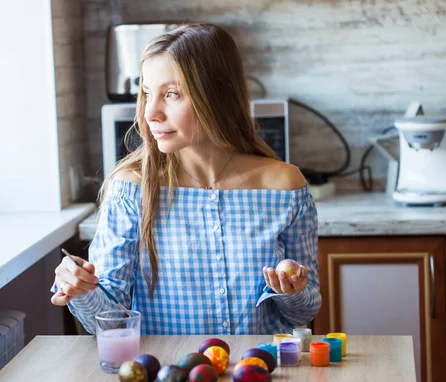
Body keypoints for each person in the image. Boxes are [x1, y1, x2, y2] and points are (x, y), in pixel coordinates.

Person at [51, 23, 321, 335]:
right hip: (167, 378)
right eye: (147, 93)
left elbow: (306, 310)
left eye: (172, 94)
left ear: (217, 96)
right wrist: (81, 289)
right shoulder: (131, 189)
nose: (151, 112)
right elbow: (111, 320)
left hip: (258, 374)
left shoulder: (285, 187)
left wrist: (292, 292)